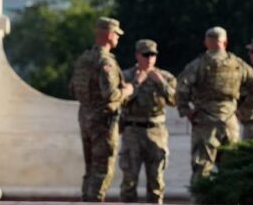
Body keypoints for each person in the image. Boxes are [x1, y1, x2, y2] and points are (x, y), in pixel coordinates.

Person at [175, 26, 253, 184]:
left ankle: (200, 200)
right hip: (230, 120)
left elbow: (181, 87)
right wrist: (244, 112)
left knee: (202, 166)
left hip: (205, 120)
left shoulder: (198, 64)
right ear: (225, 42)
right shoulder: (238, 63)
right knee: (230, 168)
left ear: (206, 42)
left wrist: (186, 111)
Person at [69, 17, 134, 202]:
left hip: (85, 117)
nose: (118, 39)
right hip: (102, 121)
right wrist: (127, 91)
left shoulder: (84, 59)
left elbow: (73, 88)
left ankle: (87, 199)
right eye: (117, 35)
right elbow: (110, 94)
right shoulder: (106, 62)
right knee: (103, 169)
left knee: (90, 168)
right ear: (108, 34)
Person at [119, 39, 176, 204]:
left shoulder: (165, 76)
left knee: (156, 182)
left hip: (156, 131)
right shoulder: (127, 76)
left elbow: (176, 100)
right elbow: (120, 100)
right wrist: (137, 83)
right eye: (146, 55)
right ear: (137, 55)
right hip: (132, 131)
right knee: (129, 181)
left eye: (153, 55)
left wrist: (161, 83)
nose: (149, 58)